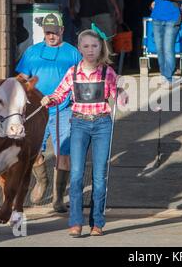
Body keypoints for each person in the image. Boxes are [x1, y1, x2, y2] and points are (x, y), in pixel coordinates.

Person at [41, 28, 128, 237]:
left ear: (101, 48)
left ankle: (97, 222)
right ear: (79, 48)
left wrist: (122, 94)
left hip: (102, 125)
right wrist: (49, 99)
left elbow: (119, 94)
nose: (90, 50)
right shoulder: (72, 72)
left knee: (99, 177)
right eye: (86, 46)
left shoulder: (108, 73)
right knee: (78, 175)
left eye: (94, 46)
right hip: (79, 124)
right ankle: (76, 222)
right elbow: (59, 94)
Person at [15, 13, 82, 213]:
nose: (51, 36)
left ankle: (59, 198)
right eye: (47, 32)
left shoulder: (72, 53)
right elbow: (22, 77)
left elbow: (82, 78)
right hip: (36, 110)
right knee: (33, 152)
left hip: (64, 109)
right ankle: (42, 181)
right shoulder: (32, 52)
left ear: (62, 30)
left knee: (64, 154)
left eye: (55, 32)